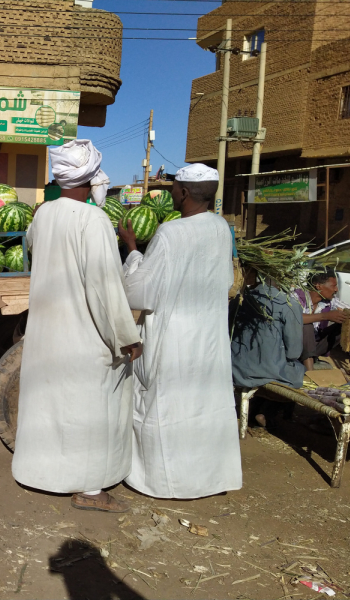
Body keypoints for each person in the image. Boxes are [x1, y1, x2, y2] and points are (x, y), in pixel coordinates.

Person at [12, 139, 142, 513]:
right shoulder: (94, 220)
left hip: (48, 333)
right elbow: (104, 289)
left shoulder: (43, 215)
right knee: (88, 410)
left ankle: (39, 472)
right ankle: (90, 491)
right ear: (91, 178)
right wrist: (125, 337)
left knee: (50, 409)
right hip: (84, 336)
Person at [118, 163, 242, 499]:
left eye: (173, 188)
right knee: (203, 403)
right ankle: (207, 479)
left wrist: (131, 249)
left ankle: (162, 481)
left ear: (184, 193)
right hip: (208, 336)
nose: (170, 192)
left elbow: (142, 291)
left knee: (165, 402)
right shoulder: (221, 228)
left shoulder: (171, 234)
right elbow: (226, 280)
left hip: (173, 336)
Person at [230, 273, 305, 428]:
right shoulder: (288, 304)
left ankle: (256, 410)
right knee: (297, 371)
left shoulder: (239, 300)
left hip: (235, 368)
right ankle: (268, 414)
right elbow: (294, 352)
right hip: (266, 372)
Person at [296, 268, 350, 370]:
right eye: (333, 286)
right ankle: (310, 372)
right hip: (296, 346)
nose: (336, 289)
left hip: (317, 346)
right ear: (318, 286)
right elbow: (294, 318)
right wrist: (326, 316)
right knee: (306, 325)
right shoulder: (296, 297)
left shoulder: (330, 301)